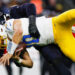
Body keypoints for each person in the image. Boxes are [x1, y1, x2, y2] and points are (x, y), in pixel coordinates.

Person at [1, 9, 75, 75]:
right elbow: (30, 63)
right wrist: (18, 60)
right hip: (59, 39)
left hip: (56, 23)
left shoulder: (9, 25)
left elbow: (19, 31)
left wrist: (10, 52)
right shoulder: (14, 47)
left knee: (72, 14)